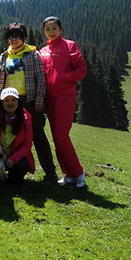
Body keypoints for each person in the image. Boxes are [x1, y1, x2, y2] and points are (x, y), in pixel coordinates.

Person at [0, 22, 57, 181]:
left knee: (38, 135)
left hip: (29, 100)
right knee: (5, 134)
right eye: (10, 36)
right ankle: (2, 167)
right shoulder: (4, 56)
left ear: (24, 37)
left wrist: (39, 100)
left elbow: (41, 78)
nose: (14, 39)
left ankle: (50, 171)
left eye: (17, 36)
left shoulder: (33, 54)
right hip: (8, 100)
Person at [39, 16, 87, 188]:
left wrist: (66, 78)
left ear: (61, 30)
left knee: (61, 135)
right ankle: (69, 174)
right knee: (57, 137)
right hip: (49, 98)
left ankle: (78, 173)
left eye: (54, 28)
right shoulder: (42, 51)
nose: (51, 32)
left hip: (65, 95)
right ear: (44, 31)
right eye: (48, 29)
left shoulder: (69, 45)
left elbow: (82, 69)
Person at [0, 87, 35, 185]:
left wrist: (13, 158)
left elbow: (27, 144)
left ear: (18, 102)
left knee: (21, 167)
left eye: (13, 100)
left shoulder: (26, 119)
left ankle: (11, 178)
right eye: (6, 100)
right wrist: (1, 155)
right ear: (1, 103)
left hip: (15, 155)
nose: (10, 103)